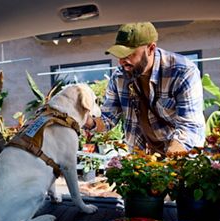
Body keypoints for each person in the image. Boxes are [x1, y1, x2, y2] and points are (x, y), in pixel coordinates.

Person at [85, 22, 206, 155]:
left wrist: (171, 159)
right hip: (140, 156)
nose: (121, 61)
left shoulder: (182, 72)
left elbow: (190, 126)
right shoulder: (119, 77)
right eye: (119, 55)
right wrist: (85, 120)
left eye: (128, 54)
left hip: (177, 152)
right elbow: (108, 118)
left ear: (151, 48)